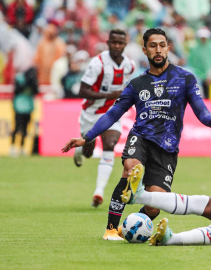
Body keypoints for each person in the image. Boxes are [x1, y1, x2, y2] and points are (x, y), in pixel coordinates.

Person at [61, 28, 211, 241]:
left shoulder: (185, 78)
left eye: (162, 45)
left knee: (154, 207)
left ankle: (130, 229)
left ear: (168, 48)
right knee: (131, 167)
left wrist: (210, 120)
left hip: (167, 149)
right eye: (153, 46)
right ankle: (110, 229)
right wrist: (87, 137)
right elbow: (113, 113)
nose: (158, 50)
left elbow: (200, 108)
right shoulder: (137, 84)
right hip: (141, 137)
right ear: (145, 50)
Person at [72, 29, 135, 209]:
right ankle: (80, 151)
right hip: (91, 114)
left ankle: (98, 192)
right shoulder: (98, 63)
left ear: (125, 44)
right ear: (108, 43)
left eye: (120, 43)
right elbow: (82, 90)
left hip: (112, 113)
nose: (117, 46)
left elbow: (127, 89)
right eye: (114, 42)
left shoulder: (129, 66)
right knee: (88, 152)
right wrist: (111, 94)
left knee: (109, 145)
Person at [10, 67, 38, 157]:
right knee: (17, 128)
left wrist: (32, 83)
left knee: (25, 129)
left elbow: (36, 91)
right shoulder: (20, 78)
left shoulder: (33, 81)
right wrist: (25, 83)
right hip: (19, 107)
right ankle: (13, 147)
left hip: (28, 108)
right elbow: (16, 91)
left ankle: (22, 147)